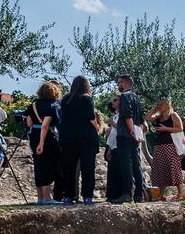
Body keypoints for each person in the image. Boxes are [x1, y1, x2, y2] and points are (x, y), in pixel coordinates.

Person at [56, 75, 102, 204]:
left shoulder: (65, 99)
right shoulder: (87, 99)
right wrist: (97, 126)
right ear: (86, 86)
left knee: (68, 169)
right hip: (86, 138)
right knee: (88, 168)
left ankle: (68, 196)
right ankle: (87, 196)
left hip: (68, 137)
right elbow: (91, 117)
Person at [107, 73, 146, 203]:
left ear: (127, 83)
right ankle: (139, 194)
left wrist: (131, 131)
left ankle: (127, 193)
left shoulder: (125, 96)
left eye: (120, 82)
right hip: (134, 136)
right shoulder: (136, 97)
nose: (118, 85)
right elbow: (141, 119)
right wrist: (138, 132)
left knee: (126, 165)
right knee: (136, 165)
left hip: (125, 134)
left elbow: (128, 115)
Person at [24, 80, 63, 204]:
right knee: (48, 166)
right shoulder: (52, 105)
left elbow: (29, 123)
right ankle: (47, 198)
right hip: (46, 138)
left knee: (39, 166)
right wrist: (42, 143)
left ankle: (40, 198)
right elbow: (45, 126)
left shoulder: (34, 104)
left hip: (34, 135)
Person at [148, 97, 183, 197]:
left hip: (171, 144)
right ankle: (161, 194)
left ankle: (180, 193)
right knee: (160, 168)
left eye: (161, 104)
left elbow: (180, 128)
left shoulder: (173, 115)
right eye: (158, 104)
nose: (159, 106)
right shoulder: (158, 116)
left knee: (173, 167)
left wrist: (165, 128)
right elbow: (147, 118)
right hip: (159, 144)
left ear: (167, 105)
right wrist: (154, 109)